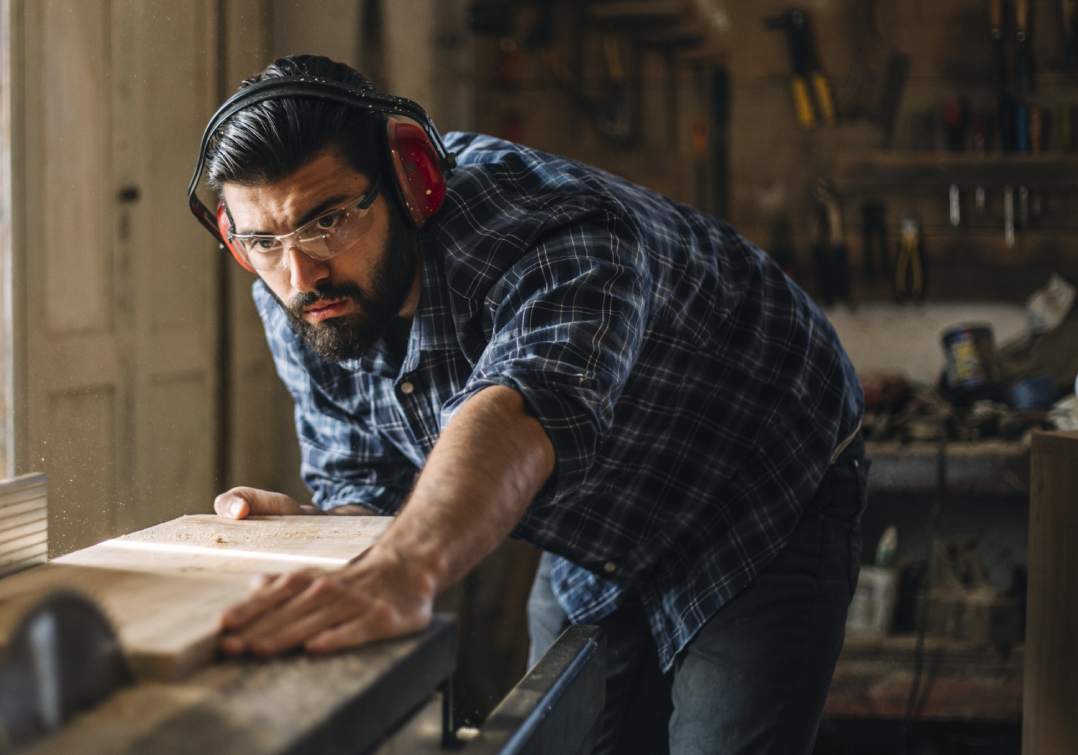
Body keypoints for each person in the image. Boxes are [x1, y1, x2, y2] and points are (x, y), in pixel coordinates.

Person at [191, 54, 867, 755]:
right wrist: (335, 536)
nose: (299, 273)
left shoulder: (556, 228)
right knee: (563, 733)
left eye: (329, 220)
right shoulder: (302, 298)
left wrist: (400, 568)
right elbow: (369, 486)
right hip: (591, 526)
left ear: (410, 179)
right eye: (263, 242)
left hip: (755, 482)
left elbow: (519, 409)